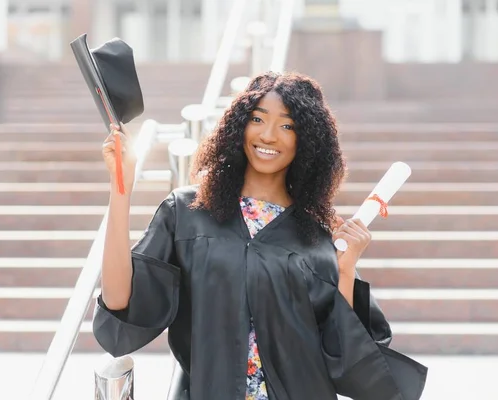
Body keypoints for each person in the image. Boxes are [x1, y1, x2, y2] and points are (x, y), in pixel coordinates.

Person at [94, 71, 425, 400]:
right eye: (257, 119)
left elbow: (353, 362)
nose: (269, 135)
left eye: (287, 126)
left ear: (307, 140)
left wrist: (346, 270)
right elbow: (122, 306)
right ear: (239, 126)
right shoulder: (188, 213)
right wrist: (120, 189)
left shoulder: (317, 238)